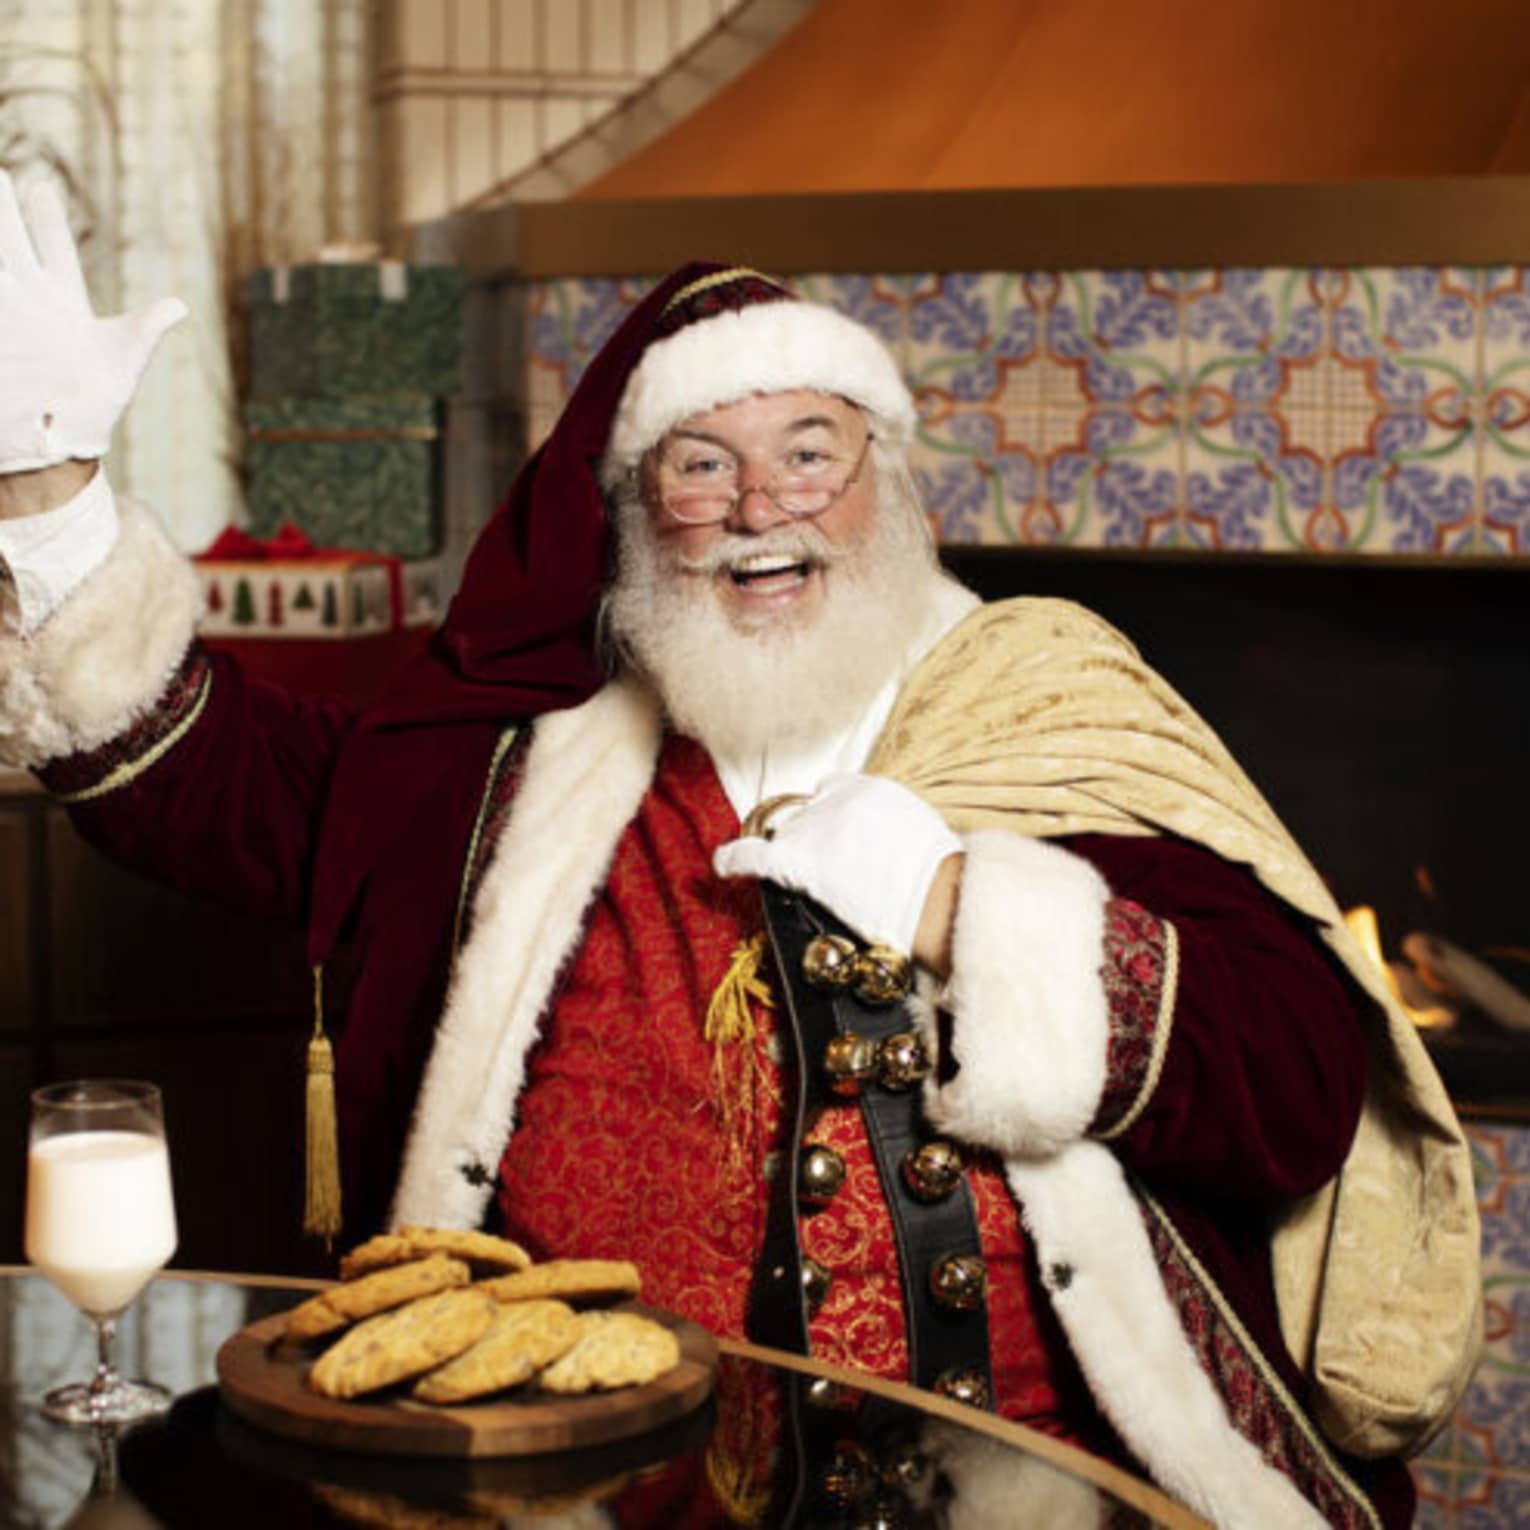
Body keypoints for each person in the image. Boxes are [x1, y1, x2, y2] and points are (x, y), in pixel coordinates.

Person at [0, 174, 1479, 1528]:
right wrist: (48, 505)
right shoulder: (527, 767)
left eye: (807, 452)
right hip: (569, 1484)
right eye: (700, 463)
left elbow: (1294, 1085)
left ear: (885, 478)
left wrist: (966, 903)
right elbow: (211, 784)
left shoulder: (1042, 698)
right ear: (638, 514)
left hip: (1031, 1479)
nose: (759, 509)